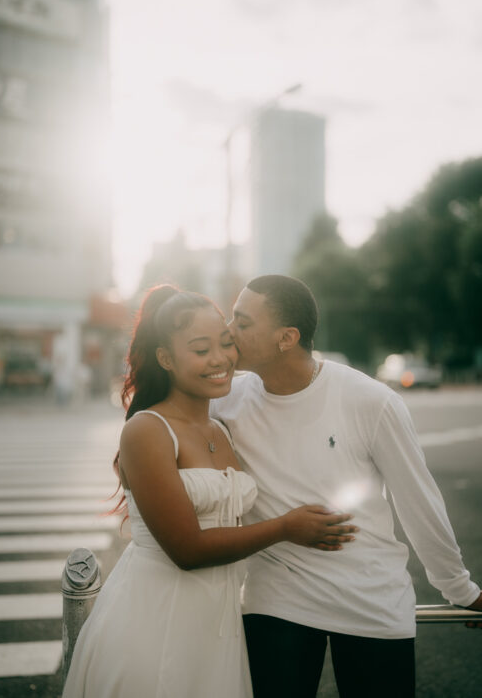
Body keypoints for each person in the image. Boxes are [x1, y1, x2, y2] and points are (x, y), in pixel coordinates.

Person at [62, 284, 358, 698]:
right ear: (165, 358)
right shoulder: (147, 430)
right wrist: (287, 527)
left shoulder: (220, 427)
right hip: (157, 615)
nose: (220, 359)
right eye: (201, 350)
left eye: (226, 343)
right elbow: (187, 550)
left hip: (217, 622)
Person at [211, 274, 482, 698]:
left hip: (370, 598)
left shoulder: (371, 401)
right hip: (276, 599)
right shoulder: (226, 399)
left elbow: (418, 501)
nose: (228, 331)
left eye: (242, 322)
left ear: (287, 338)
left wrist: (460, 588)